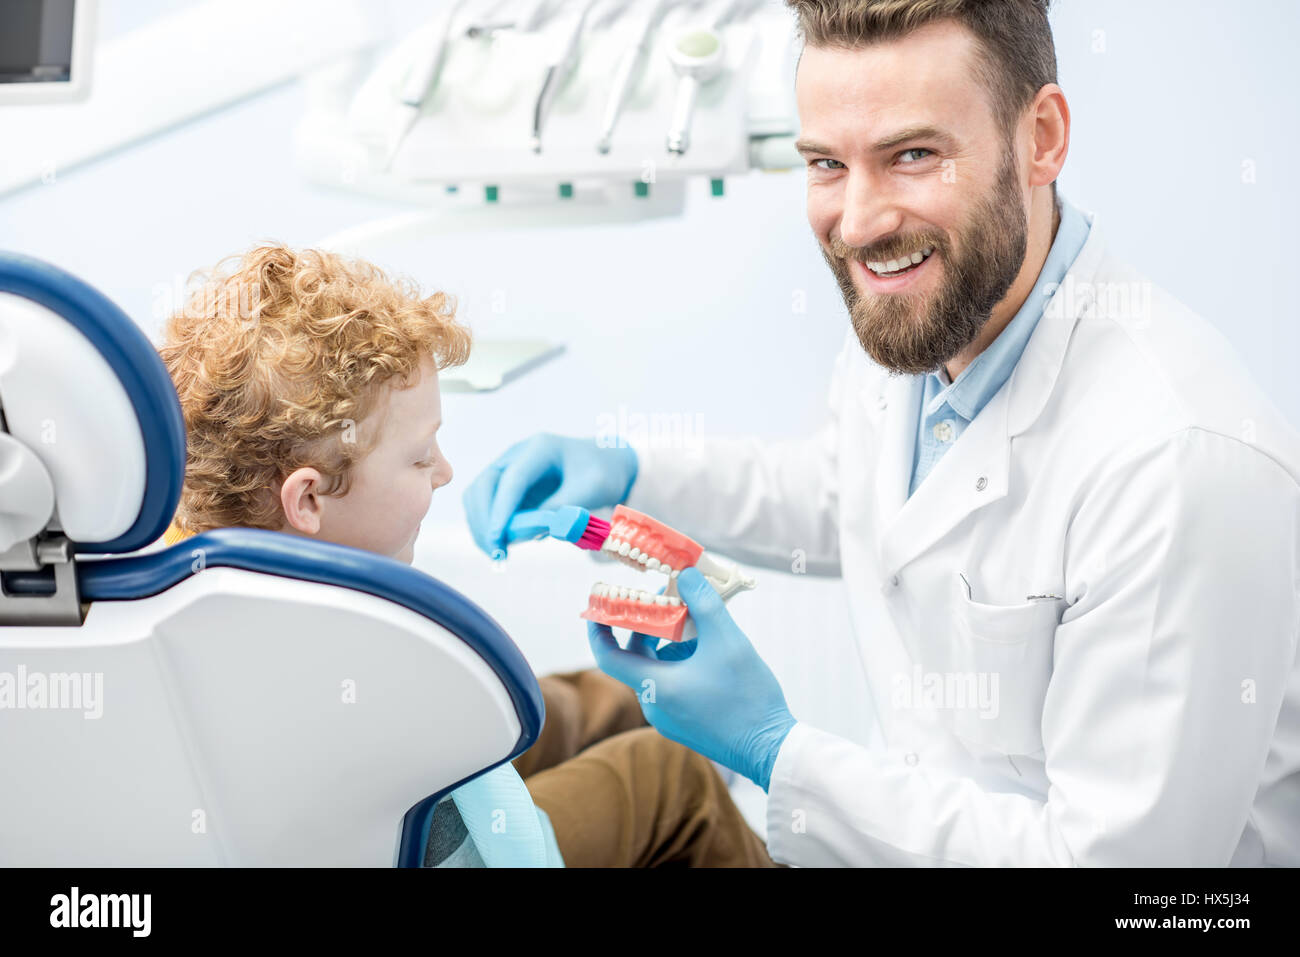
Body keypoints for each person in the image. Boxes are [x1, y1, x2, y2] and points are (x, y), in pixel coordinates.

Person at [464, 0, 1300, 866]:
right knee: (586, 736)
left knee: (651, 786)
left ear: (1042, 137)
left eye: (912, 155)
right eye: (827, 163)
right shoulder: (927, 320)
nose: (859, 223)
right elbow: (843, 495)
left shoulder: (1181, 462)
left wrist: (777, 751)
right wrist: (630, 472)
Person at [156, 243, 775, 866]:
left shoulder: (183, 582)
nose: (446, 472)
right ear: (309, 498)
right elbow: (513, 852)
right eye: (422, 457)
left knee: (603, 701)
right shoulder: (396, 676)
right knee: (670, 776)